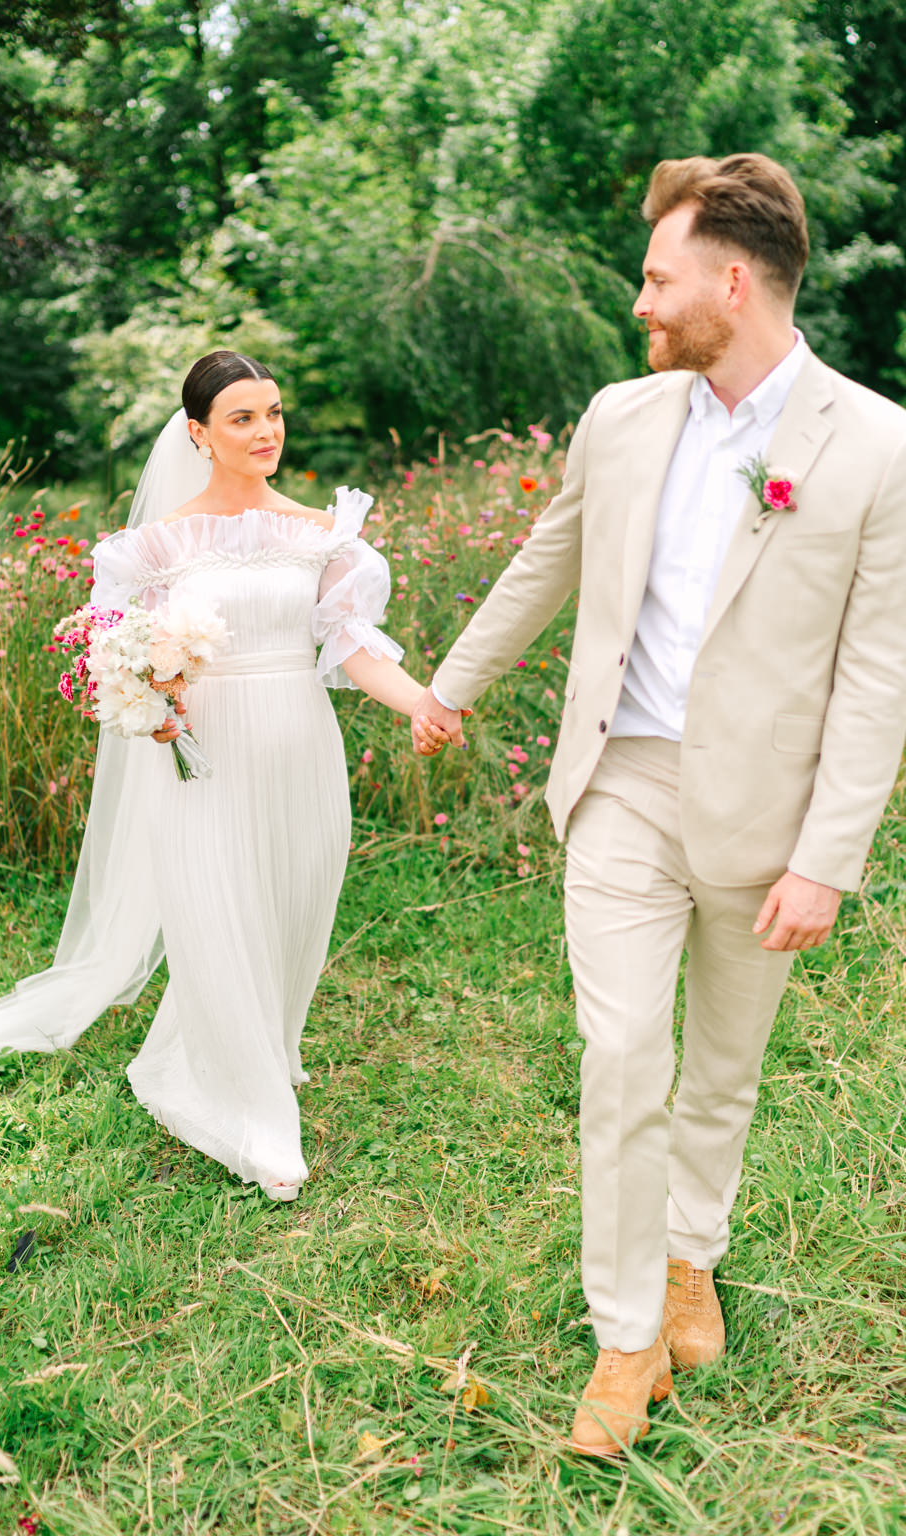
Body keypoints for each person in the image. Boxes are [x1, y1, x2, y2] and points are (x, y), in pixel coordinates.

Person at [411, 154, 906, 1455]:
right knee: (623, 1057)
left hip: (767, 815)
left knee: (722, 1072)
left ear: (732, 284)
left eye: (657, 276)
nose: (642, 302)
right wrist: (446, 689)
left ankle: (696, 1254)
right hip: (620, 781)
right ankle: (625, 1334)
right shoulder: (621, 418)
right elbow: (543, 562)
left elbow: (877, 674)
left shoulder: (875, 445)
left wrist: (828, 859)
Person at [0, 350, 440, 1201]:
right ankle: (249, 1110)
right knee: (219, 910)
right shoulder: (147, 550)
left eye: (273, 412)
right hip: (202, 757)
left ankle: (265, 1048)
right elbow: (113, 656)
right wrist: (150, 688)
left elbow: (349, 645)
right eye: (241, 417)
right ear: (197, 434)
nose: (265, 430)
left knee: (292, 902)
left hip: (301, 743)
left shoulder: (322, 534)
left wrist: (422, 703)